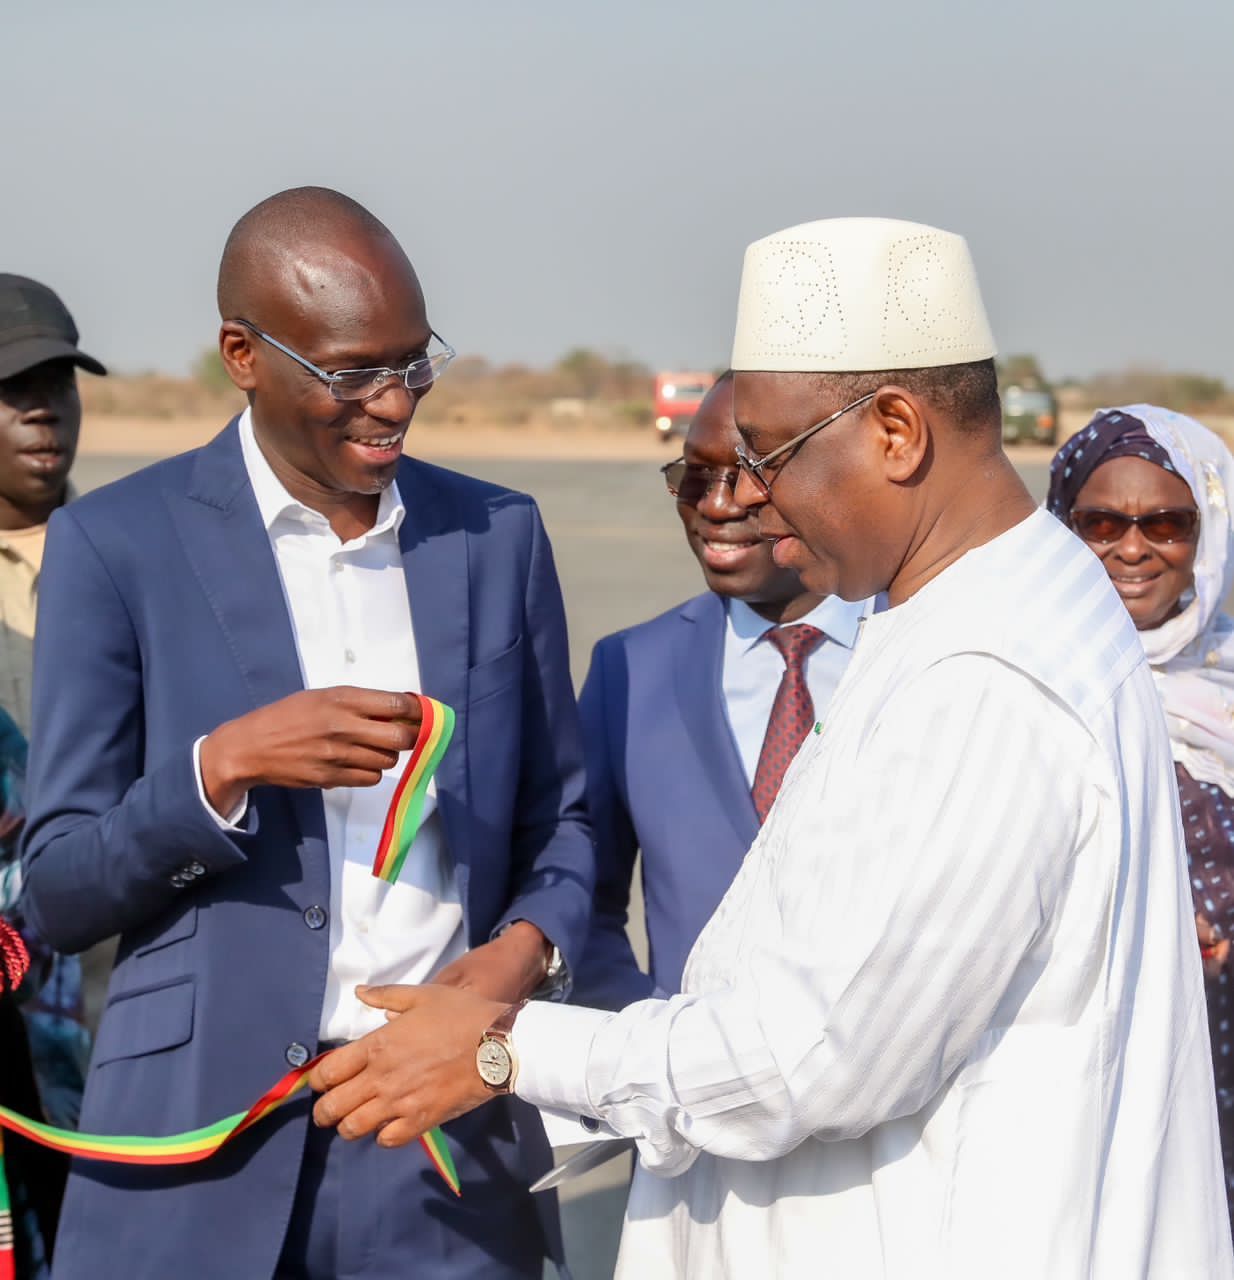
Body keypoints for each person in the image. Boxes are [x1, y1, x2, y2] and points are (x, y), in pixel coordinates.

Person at [309, 217, 1232, 1278]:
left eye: (771, 456)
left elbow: (810, 1057)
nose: (751, 500)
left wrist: (501, 1047)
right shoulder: (975, 604)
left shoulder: (988, 675)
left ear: (896, 431)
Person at [20, 187, 593, 1280]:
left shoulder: (497, 535)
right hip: (194, 1150)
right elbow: (55, 893)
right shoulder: (115, 543)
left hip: (436, 1141)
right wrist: (224, 766)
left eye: (414, 363)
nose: (395, 402)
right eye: (351, 373)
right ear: (242, 354)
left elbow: (563, 821)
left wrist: (514, 962)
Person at [575, 371, 871, 1008]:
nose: (715, 505)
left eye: (746, 475)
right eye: (694, 477)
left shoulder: (916, 652)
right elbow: (584, 902)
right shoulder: (630, 669)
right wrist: (639, 1030)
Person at [1047, 404, 1234, 1227]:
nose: (1131, 548)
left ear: (1207, 534)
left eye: (1165, 523)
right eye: (1100, 523)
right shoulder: (1027, 680)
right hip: (1083, 1060)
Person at [0, 276, 99, 1128]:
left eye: (58, 384)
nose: (44, 411)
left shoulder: (129, 559)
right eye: (14, 390)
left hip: (102, 990)